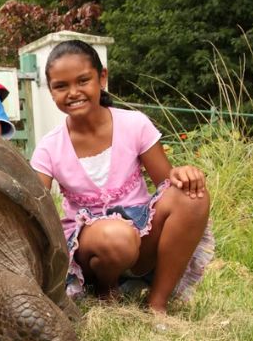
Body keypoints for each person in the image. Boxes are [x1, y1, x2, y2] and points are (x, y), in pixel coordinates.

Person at [29, 39, 213, 314]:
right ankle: (105, 288)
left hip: (142, 232)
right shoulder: (49, 147)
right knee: (117, 236)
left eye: (83, 80)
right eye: (61, 86)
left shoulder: (134, 123)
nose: (73, 92)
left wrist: (184, 174)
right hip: (92, 247)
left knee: (191, 196)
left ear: (102, 78)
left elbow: (167, 183)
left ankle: (157, 304)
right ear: (51, 91)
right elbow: (36, 206)